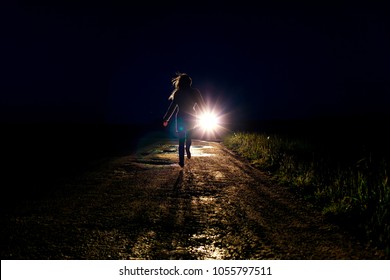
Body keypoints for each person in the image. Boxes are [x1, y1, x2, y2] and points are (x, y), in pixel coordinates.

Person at [163, 72, 205, 167]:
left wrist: (166, 119)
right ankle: (187, 151)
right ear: (189, 82)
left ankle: (181, 160)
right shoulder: (194, 92)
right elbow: (201, 104)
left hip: (181, 117)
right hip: (191, 118)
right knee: (188, 136)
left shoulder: (179, 93)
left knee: (181, 140)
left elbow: (172, 107)